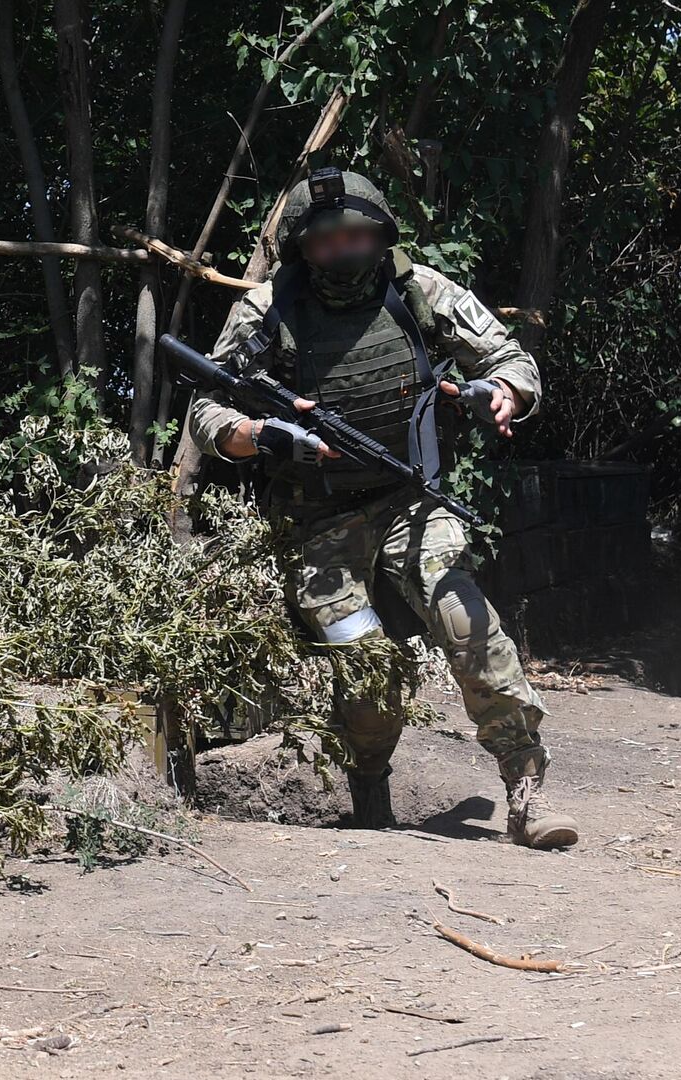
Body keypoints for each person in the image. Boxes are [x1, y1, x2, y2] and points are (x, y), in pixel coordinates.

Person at [187, 167, 579, 850]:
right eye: (328, 241)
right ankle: (370, 780)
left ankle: (525, 788)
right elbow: (206, 403)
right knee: (368, 668)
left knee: (465, 620)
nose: (345, 251)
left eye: (358, 236)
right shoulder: (268, 310)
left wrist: (501, 394)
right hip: (319, 523)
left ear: (381, 234)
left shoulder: (418, 290)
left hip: (411, 502)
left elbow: (511, 357)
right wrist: (259, 436)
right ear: (303, 249)